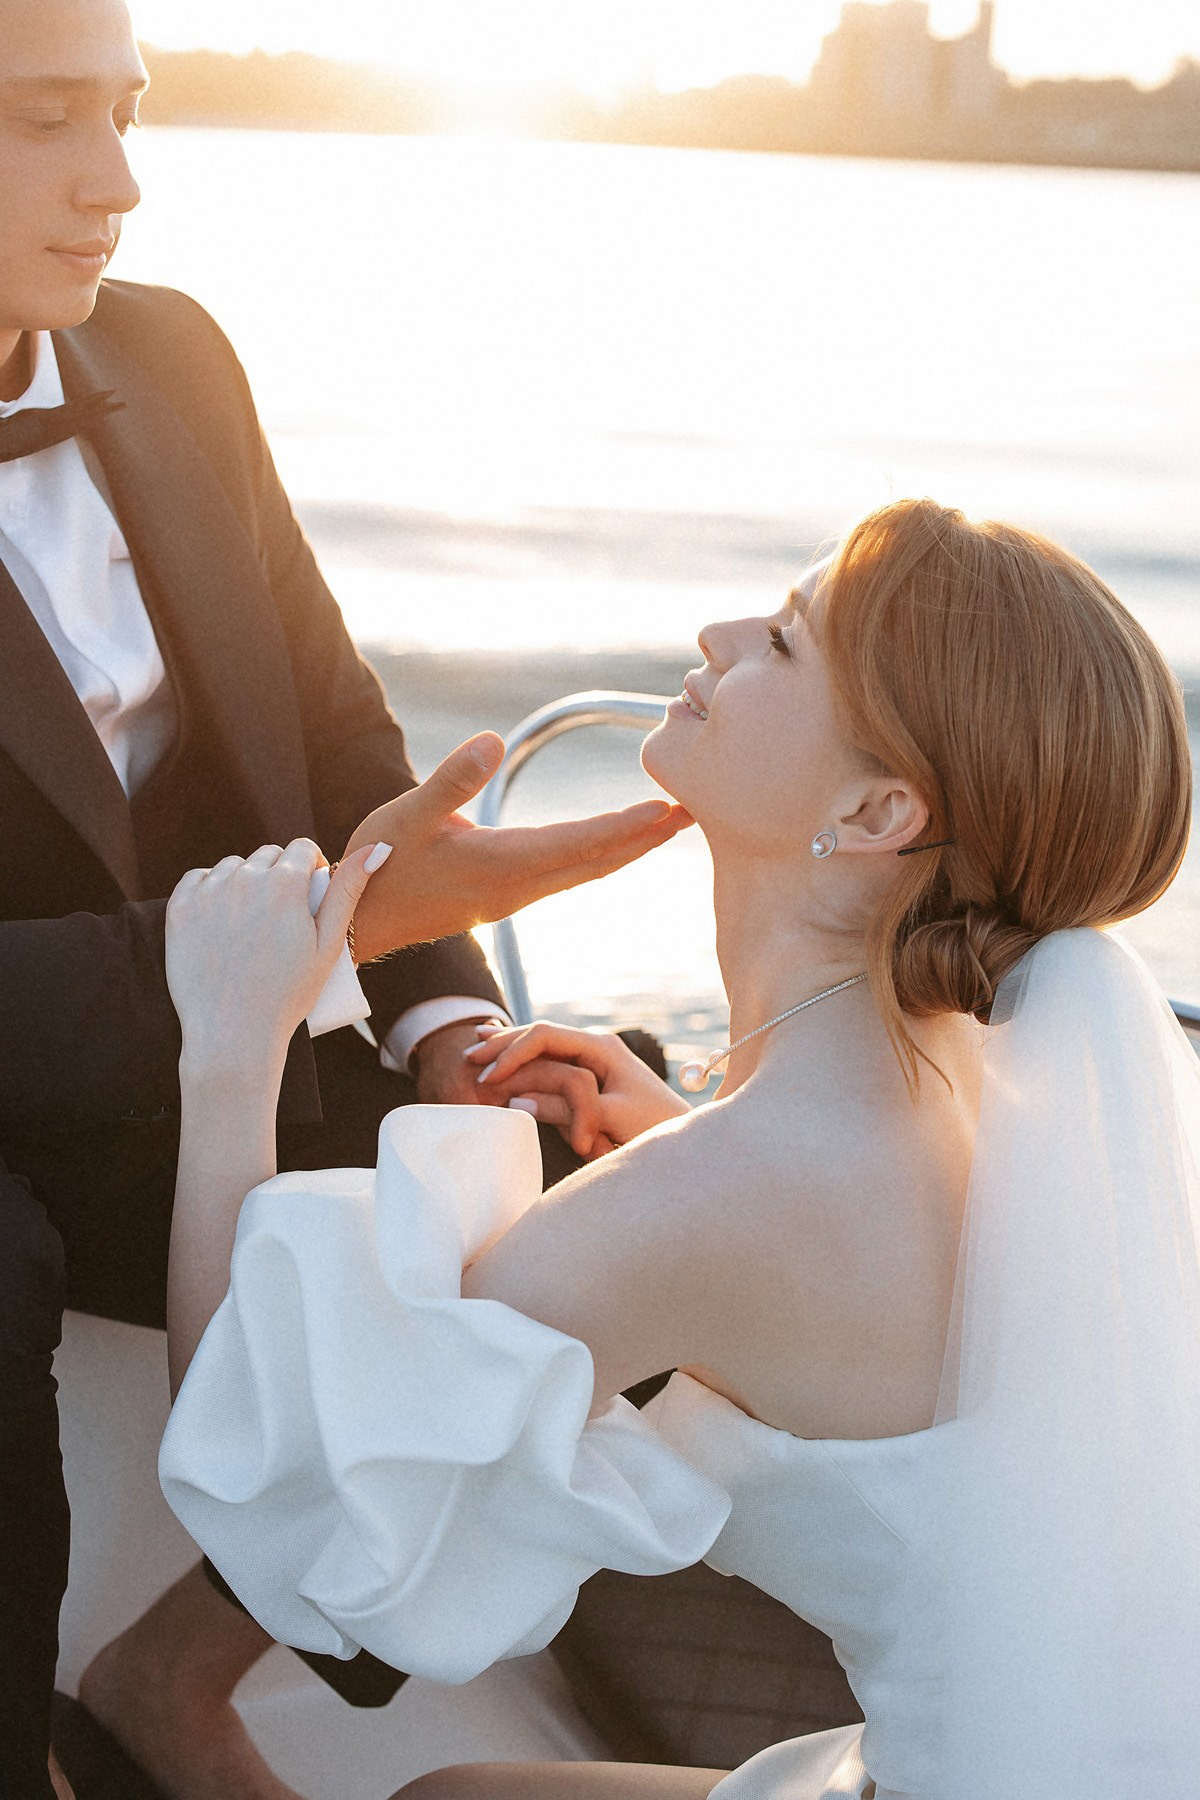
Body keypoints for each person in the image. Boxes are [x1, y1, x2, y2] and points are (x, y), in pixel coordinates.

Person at [159, 497, 1200, 1799]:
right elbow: (834, 1247)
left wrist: (231, 1042)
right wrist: (685, 1132)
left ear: (877, 810)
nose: (718, 632)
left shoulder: (721, 1197)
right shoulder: (1002, 1100)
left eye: (784, 641)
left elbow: (277, 1482)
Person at [0, 1, 689, 1793]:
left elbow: (326, 726)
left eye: (128, 114)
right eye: (45, 121)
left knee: (605, 1178)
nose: (116, 183)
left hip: (215, 1054)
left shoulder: (172, 354)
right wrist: (274, 954)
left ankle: (172, 1674)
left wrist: (444, 1015)